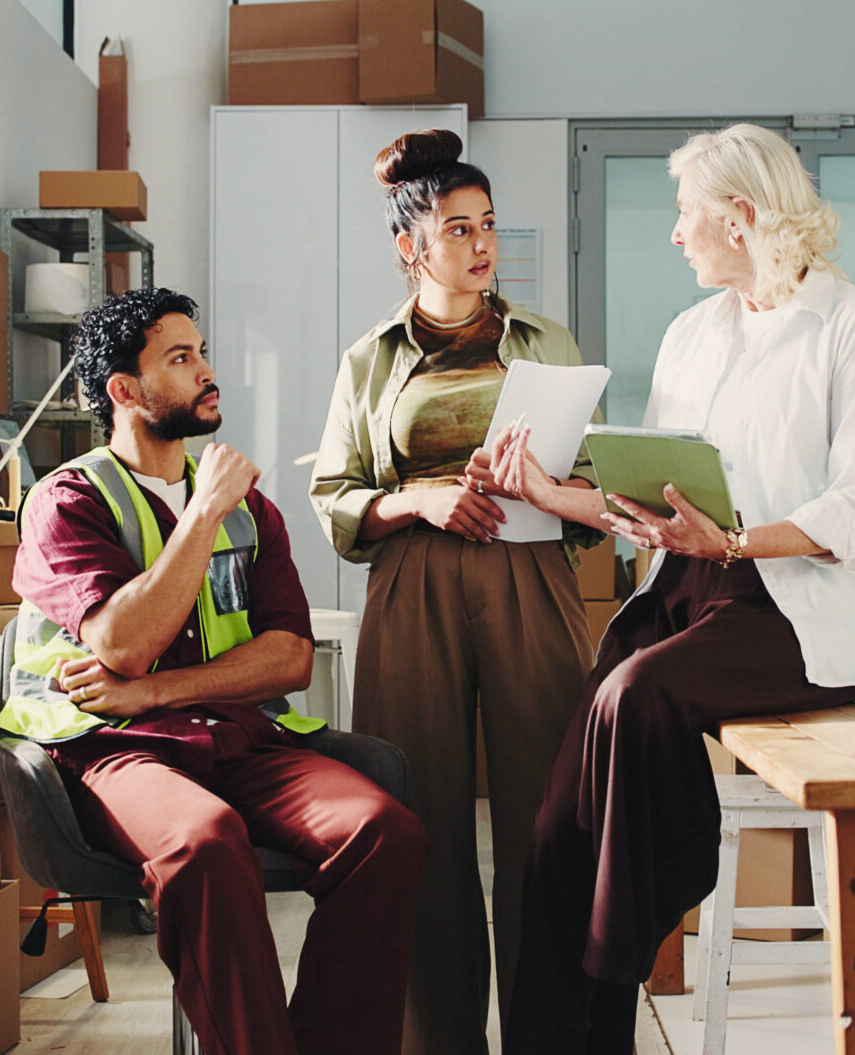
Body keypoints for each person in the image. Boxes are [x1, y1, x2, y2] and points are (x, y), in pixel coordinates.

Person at [496, 123, 855, 1051]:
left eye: (686, 215)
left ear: (741, 217)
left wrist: (731, 543)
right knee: (556, 826)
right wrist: (544, 489)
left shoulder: (854, 328)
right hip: (686, 592)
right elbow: (645, 495)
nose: (675, 234)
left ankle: (626, 961)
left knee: (634, 694)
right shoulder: (693, 334)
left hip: (790, 607)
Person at [1, 288, 427, 1055]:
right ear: (124, 392)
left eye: (202, 352)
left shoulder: (249, 509)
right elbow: (122, 644)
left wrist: (161, 687)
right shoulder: (67, 500)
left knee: (384, 832)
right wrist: (198, 514)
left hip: (239, 739)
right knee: (205, 841)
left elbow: (289, 655)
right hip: (115, 748)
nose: (207, 370)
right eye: (181, 357)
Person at [309, 128, 602, 1055]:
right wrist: (418, 497)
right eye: (458, 228)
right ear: (411, 247)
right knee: (416, 821)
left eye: (489, 227)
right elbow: (333, 497)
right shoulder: (369, 359)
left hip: (532, 573)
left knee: (552, 819)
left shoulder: (546, 341)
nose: (483, 246)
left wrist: (546, 486)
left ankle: (555, 1038)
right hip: (413, 586)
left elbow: (596, 480)